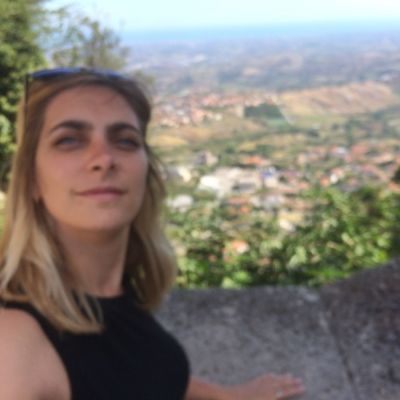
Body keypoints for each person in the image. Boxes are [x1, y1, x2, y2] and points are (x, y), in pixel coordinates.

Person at [0, 68, 305, 400]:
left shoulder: (110, 288)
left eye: (125, 141)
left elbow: (131, 373)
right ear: (31, 179)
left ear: (146, 171)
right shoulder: (13, 339)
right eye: (69, 140)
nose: (104, 159)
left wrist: (224, 396)